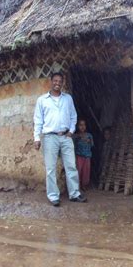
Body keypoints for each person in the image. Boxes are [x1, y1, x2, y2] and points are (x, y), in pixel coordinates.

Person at [33, 72, 87, 206]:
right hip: (49, 137)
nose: (57, 83)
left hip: (66, 137)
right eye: (55, 81)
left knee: (71, 166)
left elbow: (73, 116)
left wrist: (71, 131)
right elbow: (38, 120)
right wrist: (36, 137)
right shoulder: (42, 100)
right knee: (50, 168)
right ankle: (53, 196)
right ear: (50, 81)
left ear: (63, 83)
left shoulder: (67, 98)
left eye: (60, 81)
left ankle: (74, 193)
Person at [73, 119, 94, 190]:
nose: (82, 127)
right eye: (80, 125)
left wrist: (88, 141)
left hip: (87, 156)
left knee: (86, 171)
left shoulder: (89, 135)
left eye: (84, 125)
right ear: (77, 126)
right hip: (78, 156)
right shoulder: (75, 136)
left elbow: (92, 145)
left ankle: (84, 185)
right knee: (78, 170)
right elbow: (73, 145)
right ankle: (77, 185)